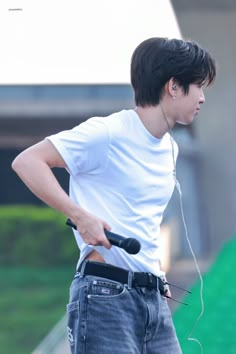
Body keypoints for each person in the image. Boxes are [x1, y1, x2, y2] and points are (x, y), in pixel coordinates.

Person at [12, 37, 216, 354]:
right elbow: (27, 161)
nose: (203, 97)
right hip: (105, 294)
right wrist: (80, 216)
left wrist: (155, 274)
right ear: (173, 86)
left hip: (152, 297)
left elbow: (139, 217)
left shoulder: (170, 148)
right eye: (199, 86)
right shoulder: (108, 132)